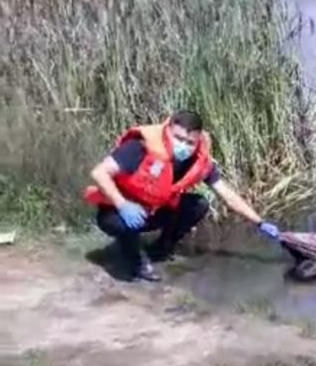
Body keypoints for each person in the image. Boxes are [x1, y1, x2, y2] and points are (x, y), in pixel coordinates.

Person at [84, 110, 279, 281]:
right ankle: (136, 262)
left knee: (199, 204)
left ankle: (162, 248)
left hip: (153, 212)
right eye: (178, 138)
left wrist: (260, 222)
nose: (183, 145)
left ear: (198, 140)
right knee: (122, 225)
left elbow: (228, 195)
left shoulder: (199, 161)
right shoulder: (141, 147)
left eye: (190, 142)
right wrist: (122, 204)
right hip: (119, 212)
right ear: (168, 130)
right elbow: (99, 173)